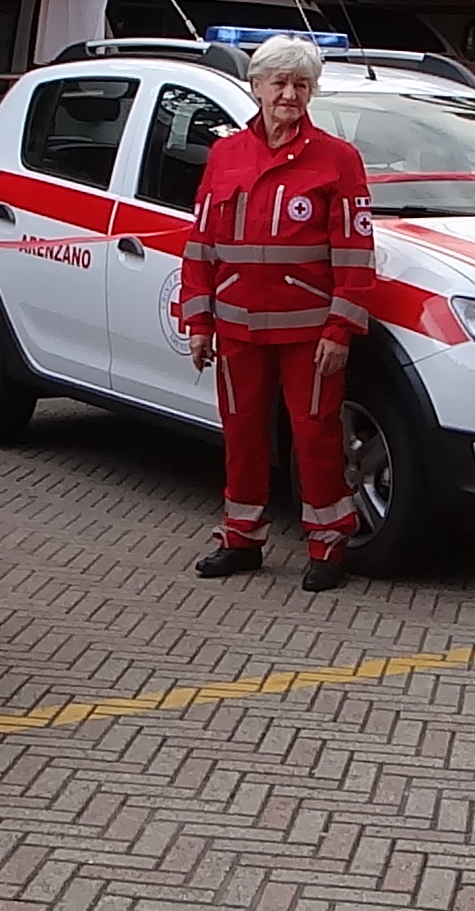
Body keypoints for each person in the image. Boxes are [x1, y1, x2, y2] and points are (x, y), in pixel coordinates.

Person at [180, 35, 375, 592]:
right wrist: (199, 320)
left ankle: (329, 543)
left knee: (314, 436)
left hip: (309, 331)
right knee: (241, 434)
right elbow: (200, 245)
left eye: (301, 84)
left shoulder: (339, 160)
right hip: (236, 327)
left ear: (311, 91)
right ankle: (240, 539)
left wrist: (341, 329)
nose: (289, 94)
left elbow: (357, 254)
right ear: (257, 87)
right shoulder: (225, 154)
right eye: (279, 83)